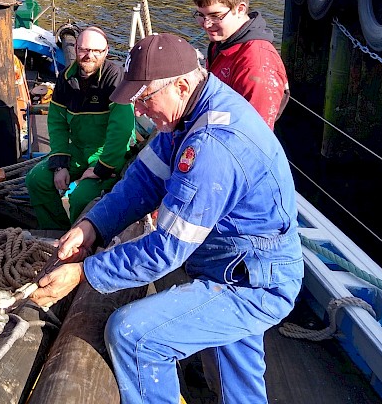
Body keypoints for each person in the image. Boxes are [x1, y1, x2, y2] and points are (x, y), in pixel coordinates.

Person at [32, 33, 303, 404]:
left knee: (134, 337)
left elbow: (166, 249)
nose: (138, 112)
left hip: (251, 281)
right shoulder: (187, 112)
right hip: (230, 264)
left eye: (143, 99)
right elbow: (143, 180)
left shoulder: (211, 145)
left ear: (179, 85)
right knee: (235, 380)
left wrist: (85, 273)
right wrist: (92, 226)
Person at [26, 26, 136, 230]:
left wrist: (102, 168)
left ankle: (82, 244)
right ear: (75, 49)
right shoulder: (66, 79)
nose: (89, 56)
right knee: (36, 179)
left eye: (96, 51)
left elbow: (120, 130)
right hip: (78, 150)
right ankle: (57, 232)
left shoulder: (115, 78)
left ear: (106, 52)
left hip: (108, 153)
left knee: (81, 198)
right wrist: (60, 164)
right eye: (84, 50)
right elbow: (57, 123)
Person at [191, 0, 289, 129]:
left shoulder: (257, 66)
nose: (206, 24)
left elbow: (255, 134)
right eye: (201, 15)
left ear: (240, 9)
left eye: (215, 16)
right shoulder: (222, 42)